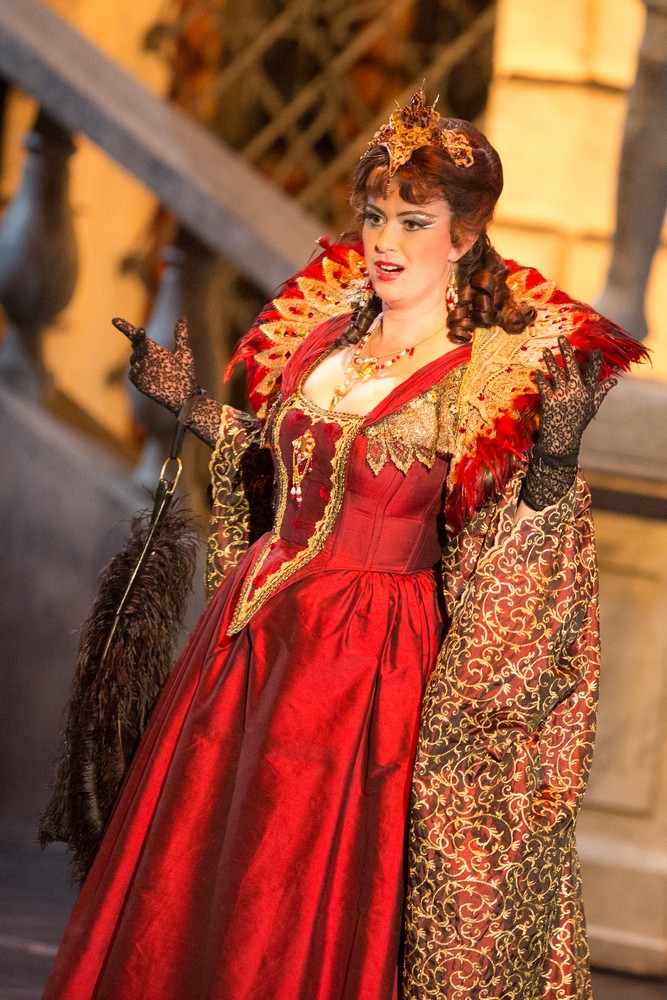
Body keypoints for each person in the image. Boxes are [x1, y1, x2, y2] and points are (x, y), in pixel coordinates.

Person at [43, 89, 647, 1000]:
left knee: (289, 877)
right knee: (203, 868)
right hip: (249, 645)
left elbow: (522, 556)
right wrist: (191, 404)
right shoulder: (328, 334)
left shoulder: (487, 378)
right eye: (373, 216)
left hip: (362, 669)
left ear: (463, 236)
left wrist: (555, 455)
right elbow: (284, 466)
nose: (384, 240)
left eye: (414, 220)